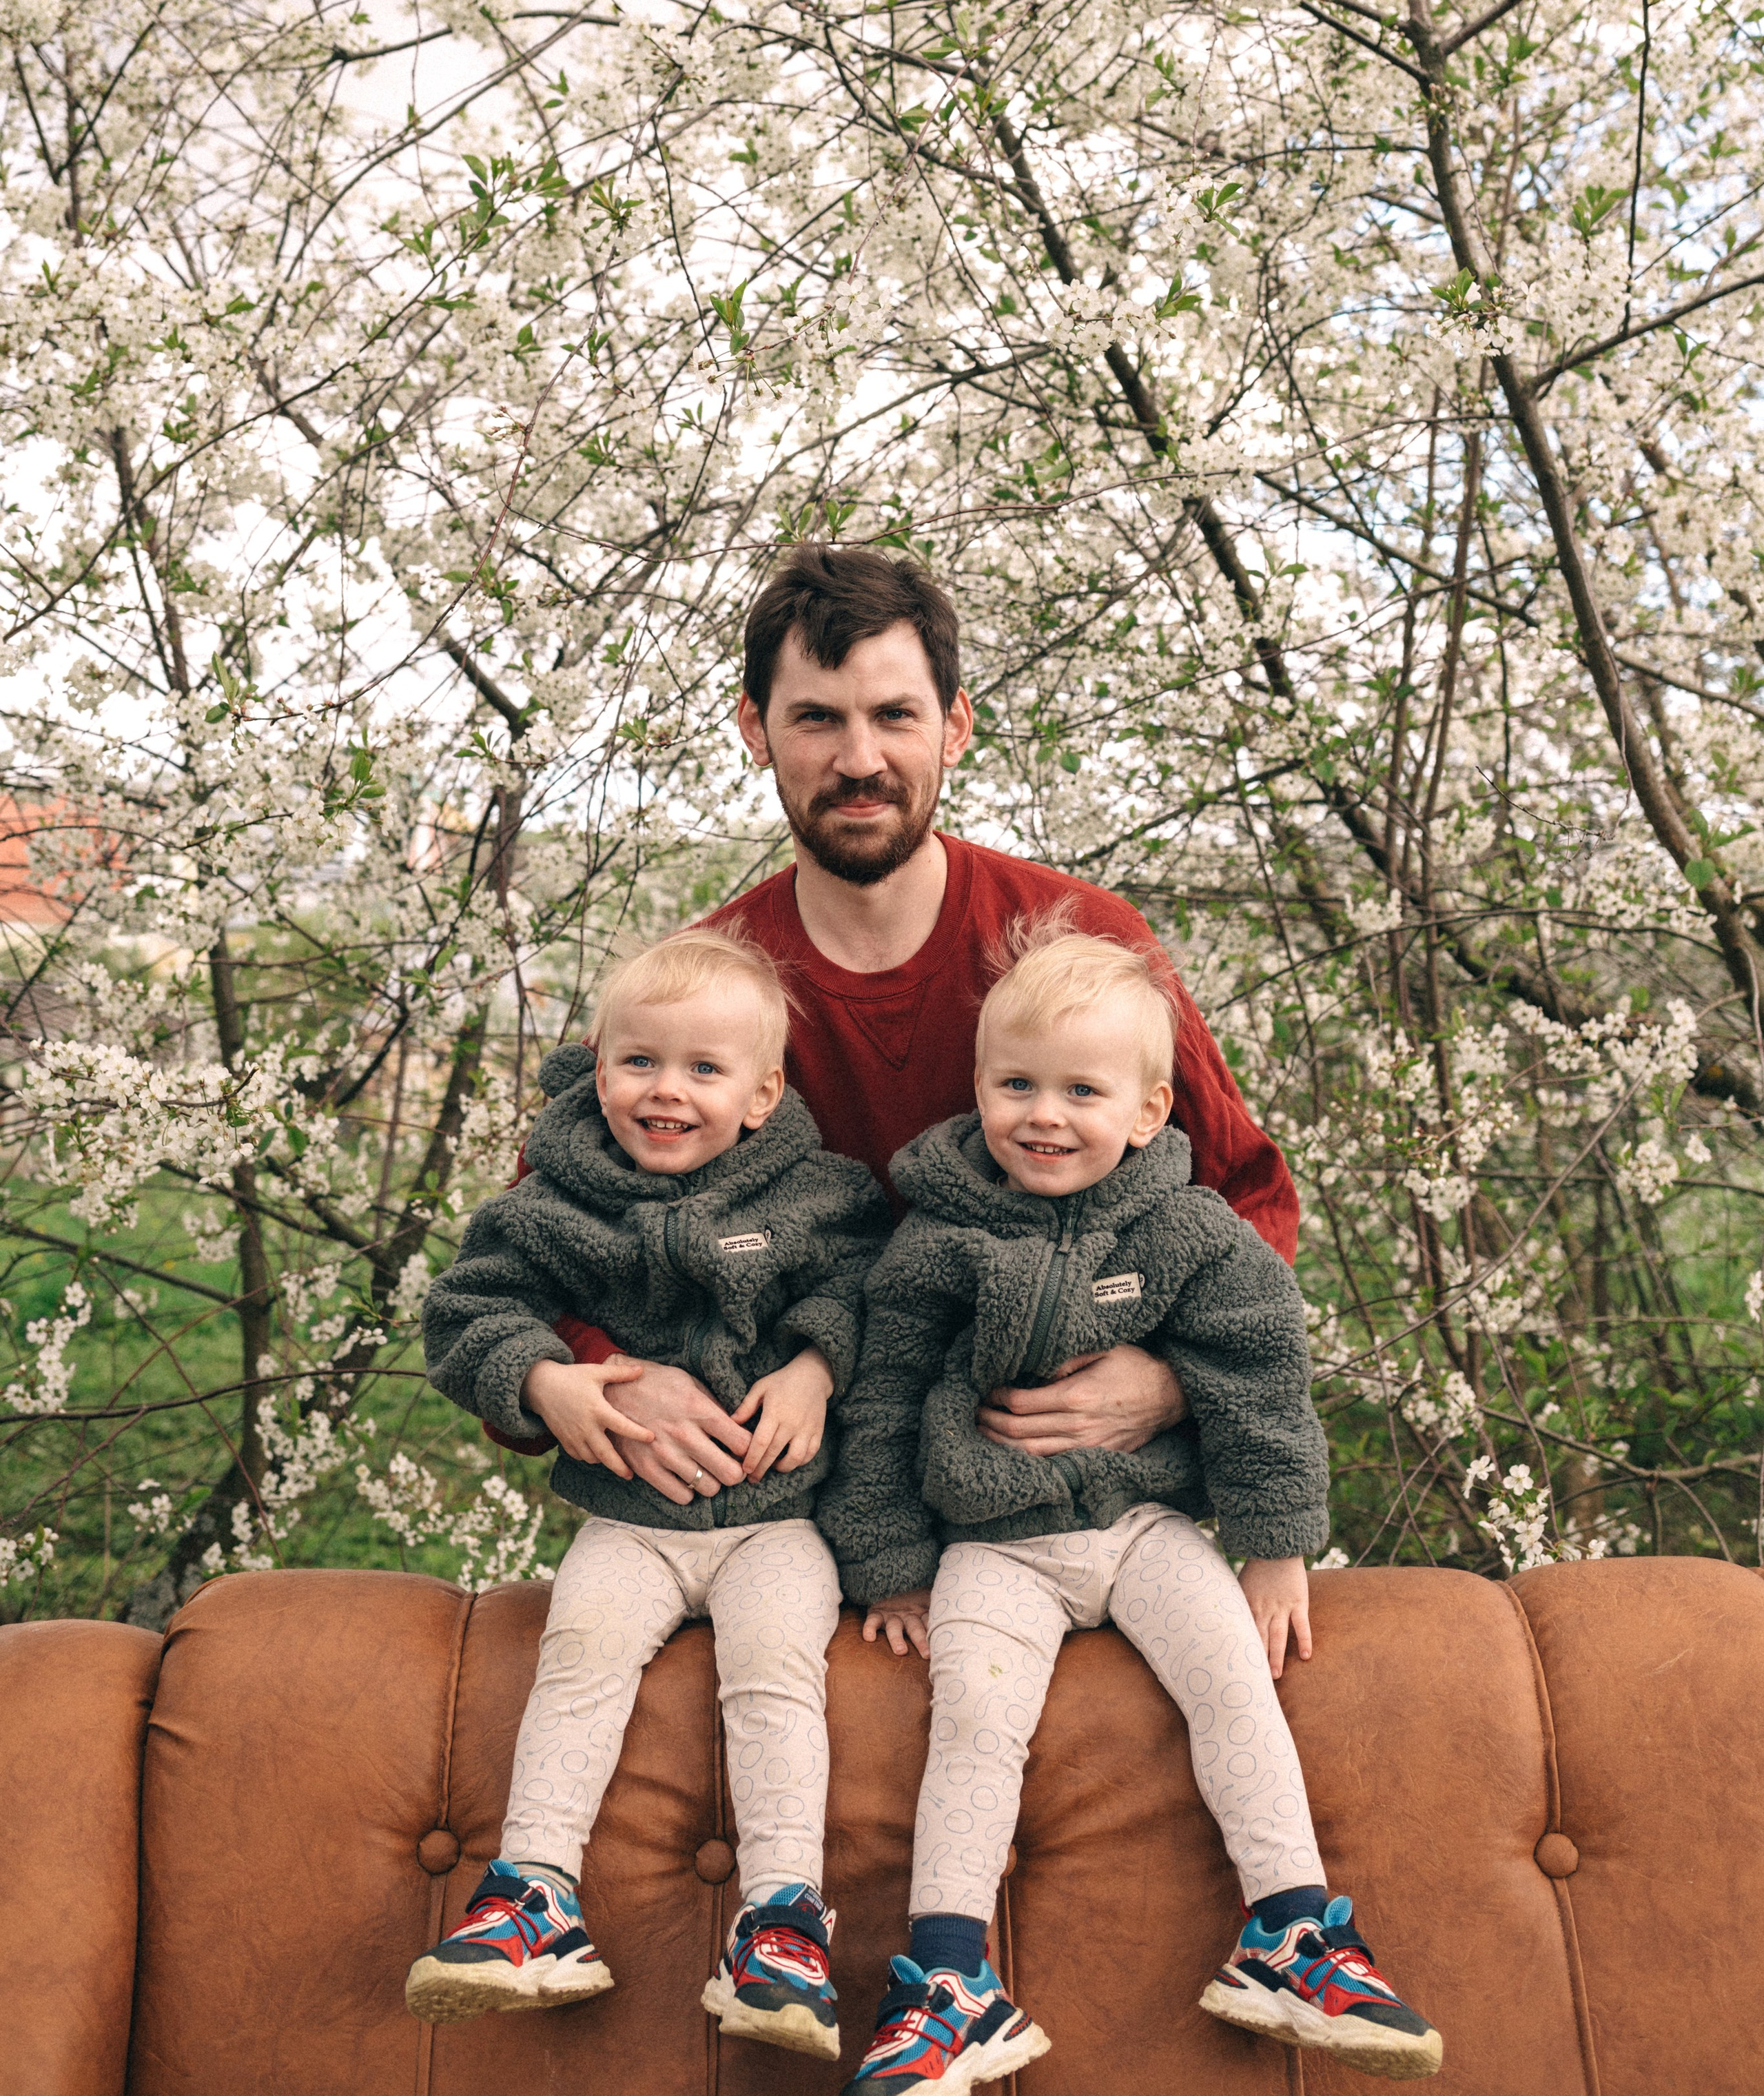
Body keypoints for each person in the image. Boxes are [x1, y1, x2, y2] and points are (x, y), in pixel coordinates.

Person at [526, 543, 1304, 1512]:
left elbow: (1249, 1198)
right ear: (754, 730)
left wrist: (1174, 1380)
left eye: (894, 715)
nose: (860, 761)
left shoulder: (1091, 943)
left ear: (954, 727)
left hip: (1048, 1501)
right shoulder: (698, 1001)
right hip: (778, 1511)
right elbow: (532, 1250)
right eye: (816, 718)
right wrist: (594, 1373)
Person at [818, 926, 1443, 2090]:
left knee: (1233, 1685)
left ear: (1150, 1110)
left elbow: (1261, 1371)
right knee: (973, 1727)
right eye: (1016, 1086)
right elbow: (884, 1400)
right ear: (978, 1090)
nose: (1044, 1116)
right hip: (994, 1544)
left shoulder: (1187, 1234)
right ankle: (951, 1978)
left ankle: (1292, 1931)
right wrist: (890, 1559)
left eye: (1081, 1091)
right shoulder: (938, 1239)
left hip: (1144, 1529)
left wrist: (1272, 1547)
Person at [409, 928, 888, 2061]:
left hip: (777, 1516)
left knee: (776, 1677)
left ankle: (783, 1919)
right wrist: (542, 1379)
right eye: (640, 1064)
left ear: (764, 1093)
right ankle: (533, 1894)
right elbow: (467, 1309)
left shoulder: (817, 1196)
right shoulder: (557, 1201)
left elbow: (877, 1294)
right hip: (632, 1519)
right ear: (599, 1063)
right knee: (580, 1656)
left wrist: (819, 1366)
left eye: (704, 1071)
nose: (666, 1092)